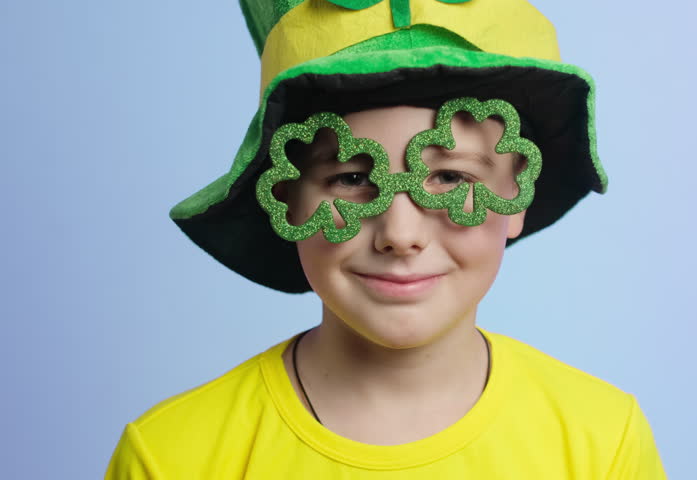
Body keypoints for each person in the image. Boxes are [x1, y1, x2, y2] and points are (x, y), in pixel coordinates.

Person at [106, 0, 667, 478]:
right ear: (285, 197)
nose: (400, 235)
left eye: (450, 177)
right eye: (351, 179)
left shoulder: (602, 444)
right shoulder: (171, 458)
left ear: (517, 193)